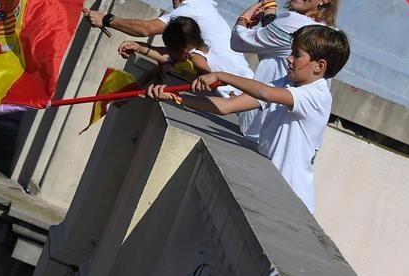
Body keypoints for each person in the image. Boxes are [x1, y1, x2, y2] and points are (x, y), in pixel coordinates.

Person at [148, 25, 349, 213]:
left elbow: (266, 94)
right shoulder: (288, 83)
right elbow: (227, 106)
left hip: (290, 200)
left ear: (319, 66)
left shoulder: (317, 95)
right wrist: (176, 97)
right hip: (269, 188)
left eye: (297, 55)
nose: (288, 59)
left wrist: (222, 76)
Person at [231, 0, 344, 142]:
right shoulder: (329, 34)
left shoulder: (292, 22)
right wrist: (270, 8)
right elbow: (276, 45)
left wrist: (245, 18)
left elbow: (238, 41)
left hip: (259, 131)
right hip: (288, 137)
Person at [83, 0, 247, 72]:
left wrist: (106, 19)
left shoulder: (192, 8)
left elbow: (146, 29)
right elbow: (177, 56)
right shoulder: (203, 8)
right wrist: (140, 47)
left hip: (231, 92)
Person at [119, 16, 252, 96]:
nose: (168, 53)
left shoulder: (197, 59)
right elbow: (164, 59)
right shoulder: (192, 54)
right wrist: (138, 47)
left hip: (237, 94)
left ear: (185, 50)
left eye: (171, 49)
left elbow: (211, 79)